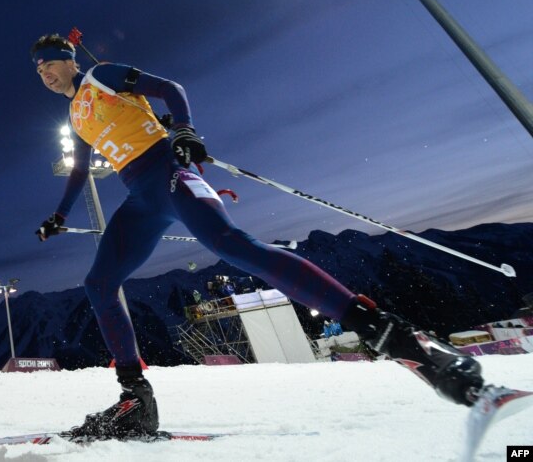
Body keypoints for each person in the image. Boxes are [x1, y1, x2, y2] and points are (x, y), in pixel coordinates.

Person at [30, 33, 484, 440]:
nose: (43, 72)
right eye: (37, 69)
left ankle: (393, 335)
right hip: (139, 196)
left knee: (232, 246)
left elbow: (171, 89)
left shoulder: (102, 76)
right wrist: (58, 214)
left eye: (49, 62)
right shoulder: (75, 113)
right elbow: (78, 170)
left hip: (168, 170)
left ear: (69, 59)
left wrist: (184, 130)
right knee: (99, 284)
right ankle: (135, 399)